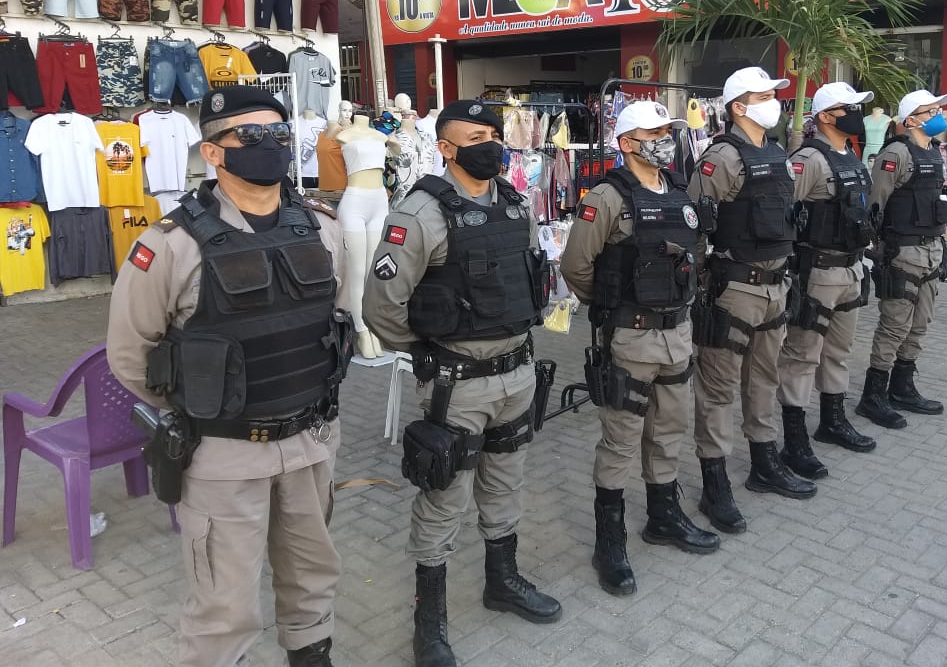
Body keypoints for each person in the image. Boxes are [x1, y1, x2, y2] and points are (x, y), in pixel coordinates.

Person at [106, 84, 351, 667]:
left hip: (311, 443)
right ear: (213, 154)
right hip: (222, 454)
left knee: (313, 578)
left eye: (280, 135)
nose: (272, 146)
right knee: (224, 606)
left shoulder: (322, 229)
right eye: (253, 136)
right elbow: (130, 354)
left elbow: (335, 318)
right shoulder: (169, 245)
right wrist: (201, 403)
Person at [361, 99, 559, 667]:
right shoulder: (420, 212)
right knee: (444, 499)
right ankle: (431, 623)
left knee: (505, 486)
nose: (491, 142)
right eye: (476, 135)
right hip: (458, 383)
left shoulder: (514, 204)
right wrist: (426, 351)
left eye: (494, 133)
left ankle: (503, 582)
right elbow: (381, 307)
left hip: (518, 372)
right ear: (446, 147)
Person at [560, 100, 719, 598]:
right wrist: (612, 305)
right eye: (654, 132)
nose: (664, 139)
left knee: (669, 429)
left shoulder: (678, 190)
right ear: (627, 142)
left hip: (678, 334)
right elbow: (575, 266)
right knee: (620, 439)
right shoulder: (606, 197)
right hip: (630, 338)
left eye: (667, 131)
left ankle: (664, 517)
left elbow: (692, 256)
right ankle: (609, 540)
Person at [688, 67, 814, 536]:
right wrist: (704, 284)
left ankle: (764, 461)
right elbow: (695, 227)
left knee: (763, 378)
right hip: (734, 289)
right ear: (739, 106)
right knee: (718, 388)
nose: (773, 102)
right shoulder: (721, 157)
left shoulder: (778, 152)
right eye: (764, 96)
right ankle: (713, 481)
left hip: (776, 286)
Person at [776, 82, 885, 482]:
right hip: (817, 272)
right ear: (825, 116)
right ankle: (794, 439)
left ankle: (832, 421)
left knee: (838, 352)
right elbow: (783, 213)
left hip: (851, 269)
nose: (855, 113)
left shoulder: (852, 156)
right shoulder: (809, 159)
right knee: (802, 355)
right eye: (848, 107)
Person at [864, 89, 947, 425]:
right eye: (930, 112)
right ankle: (873, 396)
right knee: (894, 326)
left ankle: (902, 387)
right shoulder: (896, 154)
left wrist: (943, 248)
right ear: (911, 119)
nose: (937, 116)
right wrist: (880, 250)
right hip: (903, 252)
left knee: (920, 323)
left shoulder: (933, 152)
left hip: (930, 249)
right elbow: (875, 205)